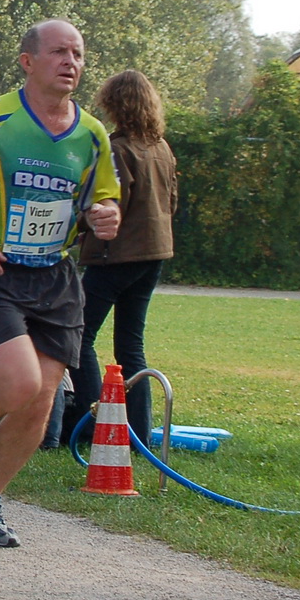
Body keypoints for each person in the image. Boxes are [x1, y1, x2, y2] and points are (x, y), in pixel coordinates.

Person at [0, 19, 120, 547]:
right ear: (28, 61)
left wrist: (106, 215)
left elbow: (102, 200)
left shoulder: (93, 135)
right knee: (20, 383)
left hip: (55, 275)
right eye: (59, 52)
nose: (71, 63)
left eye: (78, 54)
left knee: (40, 400)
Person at [70, 70, 177, 443]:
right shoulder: (161, 147)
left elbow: (109, 204)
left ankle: (91, 425)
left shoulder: (116, 149)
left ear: (115, 104)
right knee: (131, 344)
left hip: (115, 256)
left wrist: (74, 224)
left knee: (78, 336)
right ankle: (141, 433)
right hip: (154, 253)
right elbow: (171, 201)